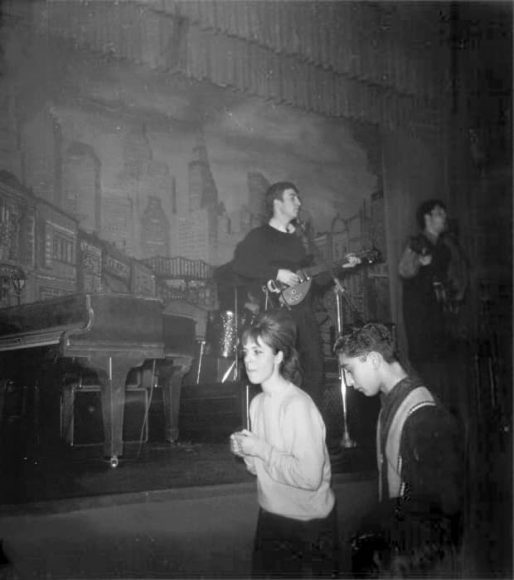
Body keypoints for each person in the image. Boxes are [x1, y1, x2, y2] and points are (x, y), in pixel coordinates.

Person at [334, 323, 463, 578]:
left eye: (350, 370)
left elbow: (441, 514)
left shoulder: (424, 415)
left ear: (372, 359)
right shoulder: (391, 402)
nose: (349, 383)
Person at [230, 309, 339, 578]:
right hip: (270, 516)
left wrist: (261, 450)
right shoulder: (257, 403)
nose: (248, 361)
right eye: (245, 352)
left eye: (258, 352)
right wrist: (246, 450)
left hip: (307, 526)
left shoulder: (297, 406)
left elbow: (310, 478)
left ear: (279, 356)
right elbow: (260, 468)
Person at [232, 181, 358, 409]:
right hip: (275, 317)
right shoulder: (260, 236)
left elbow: (314, 280)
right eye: (293, 198)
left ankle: (309, 427)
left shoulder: (301, 240)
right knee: (279, 373)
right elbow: (240, 265)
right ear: (276, 202)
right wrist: (276, 272)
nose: (299, 203)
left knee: (314, 372)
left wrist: (341, 266)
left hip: (304, 314)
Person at [398, 199, 468, 406]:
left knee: (448, 384)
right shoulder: (417, 243)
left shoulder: (446, 247)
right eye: (439, 213)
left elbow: (456, 280)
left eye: (444, 213)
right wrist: (420, 262)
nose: (444, 217)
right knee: (430, 379)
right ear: (427, 218)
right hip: (423, 324)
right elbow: (404, 270)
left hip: (443, 323)